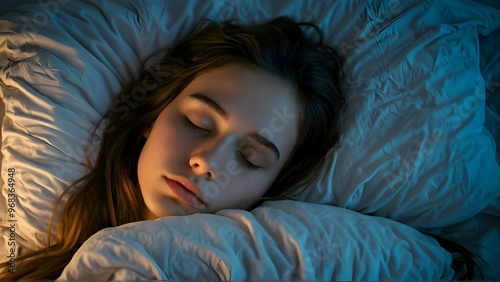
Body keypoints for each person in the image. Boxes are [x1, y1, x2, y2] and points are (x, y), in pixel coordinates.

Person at [0, 17, 344, 279]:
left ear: (272, 188)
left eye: (249, 158)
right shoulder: (24, 258)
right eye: (198, 123)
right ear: (153, 116)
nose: (207, 161)